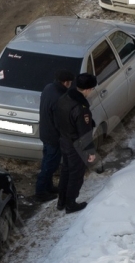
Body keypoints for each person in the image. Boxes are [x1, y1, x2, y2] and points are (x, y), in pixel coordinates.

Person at [55, 73, 98, 214]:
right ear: (87, 89)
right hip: (76, 145)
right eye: (91, 89)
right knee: (76, 174)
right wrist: (90, 152)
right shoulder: (81, 108)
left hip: (64, 140)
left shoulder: (64, 98)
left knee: (66, 171)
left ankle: (61, 201)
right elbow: (84, 133)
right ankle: (71, 204)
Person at [34, 70, 74, 202]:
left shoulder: (48, 88)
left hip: (45, 132)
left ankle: (48, 186)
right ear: (66, 82)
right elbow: (60, 123)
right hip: (54, 137)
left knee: (47, 160)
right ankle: (40, 192)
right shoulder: (60, 98)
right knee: (50, 165)